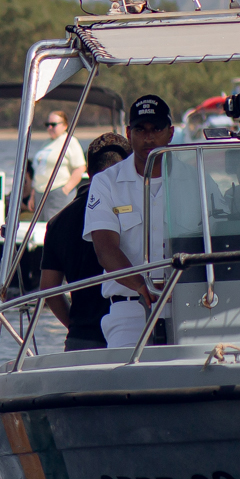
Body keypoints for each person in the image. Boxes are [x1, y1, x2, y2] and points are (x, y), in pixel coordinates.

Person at [85, 95, 175, 350]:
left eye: (156, 129)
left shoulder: (193, 177)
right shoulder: (106, 182)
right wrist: (142, 287)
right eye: (140, 129)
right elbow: (105, 249)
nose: (149, 137)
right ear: (128, 133)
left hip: (191, 304)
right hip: (129, 308)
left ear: (170, 133)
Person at [38, 136, 131, 351]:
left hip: (82, 337)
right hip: (133, 332)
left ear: (88, 172)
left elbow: (49, 288)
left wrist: (75, 325)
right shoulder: (138, 208)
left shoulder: (58, 221)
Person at [34, 111, 89, 199]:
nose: (50, 127)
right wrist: (33, 195)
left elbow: (80, 167)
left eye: (53, 124)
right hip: (40, 192)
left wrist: (65, 190)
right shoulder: (46, 143)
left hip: (57, 192)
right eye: (47, 124)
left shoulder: (70, 141)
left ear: (64, 126)